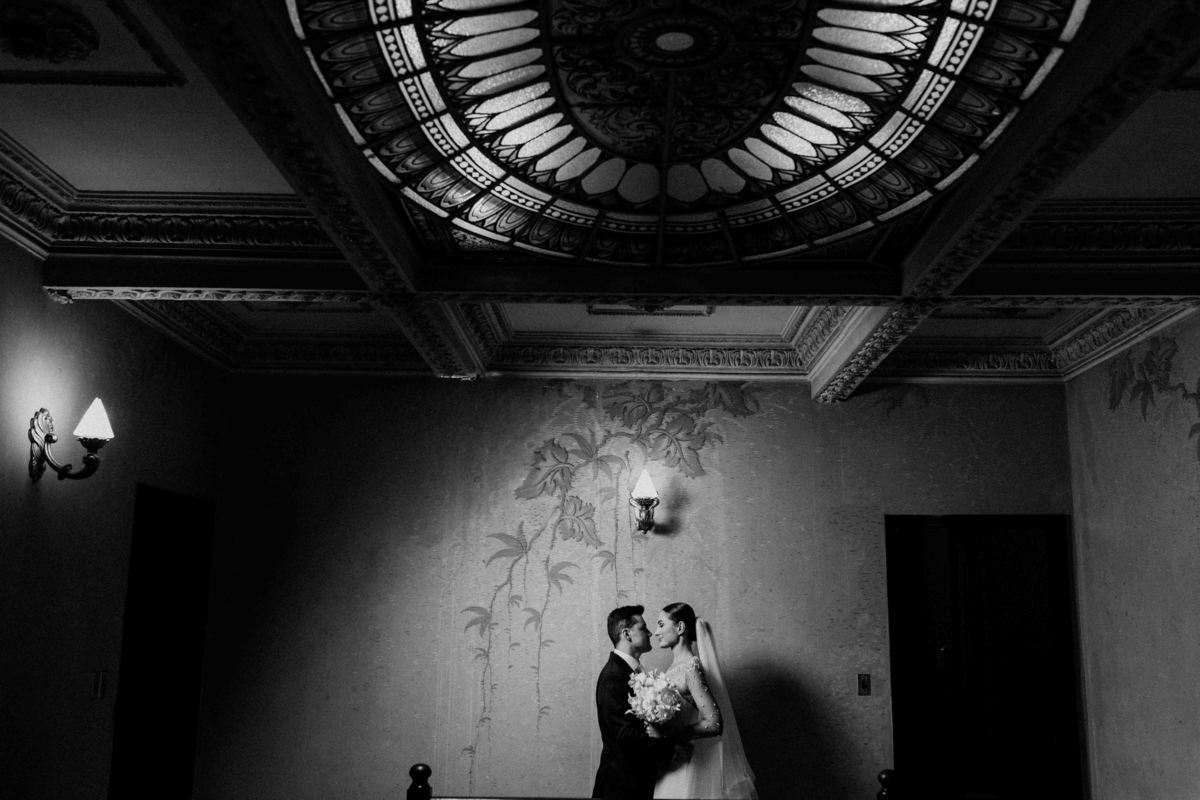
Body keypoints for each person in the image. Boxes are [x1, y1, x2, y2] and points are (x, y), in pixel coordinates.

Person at [650, 602, 758, 800]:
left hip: (690, 766)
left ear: (680, 627)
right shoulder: (671, 669)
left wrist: (672, 734)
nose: (656, 632)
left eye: (661, 624)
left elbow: (714, 722)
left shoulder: (691, 667)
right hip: (672, 764)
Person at [593, 604, 676, 800]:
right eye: (643, 628)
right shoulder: (613, 676)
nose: (650, 633)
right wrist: (670, 748)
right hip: (620, 787)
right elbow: (625, 735)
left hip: (637, 783)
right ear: (627, 634)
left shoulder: (632, 671)